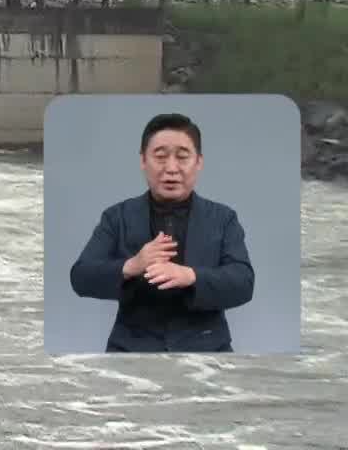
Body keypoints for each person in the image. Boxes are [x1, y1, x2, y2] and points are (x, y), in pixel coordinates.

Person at [68, 112, 255, 352]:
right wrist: (133, 265)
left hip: (208, 351)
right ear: (143, 161)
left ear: (199, 162)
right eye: (160, 157)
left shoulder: (223, 218)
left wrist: (190, 276)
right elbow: (81, 276)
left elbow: (244, 282)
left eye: (182, 157)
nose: (171, 168)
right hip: (130, 351)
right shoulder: (117, 217)